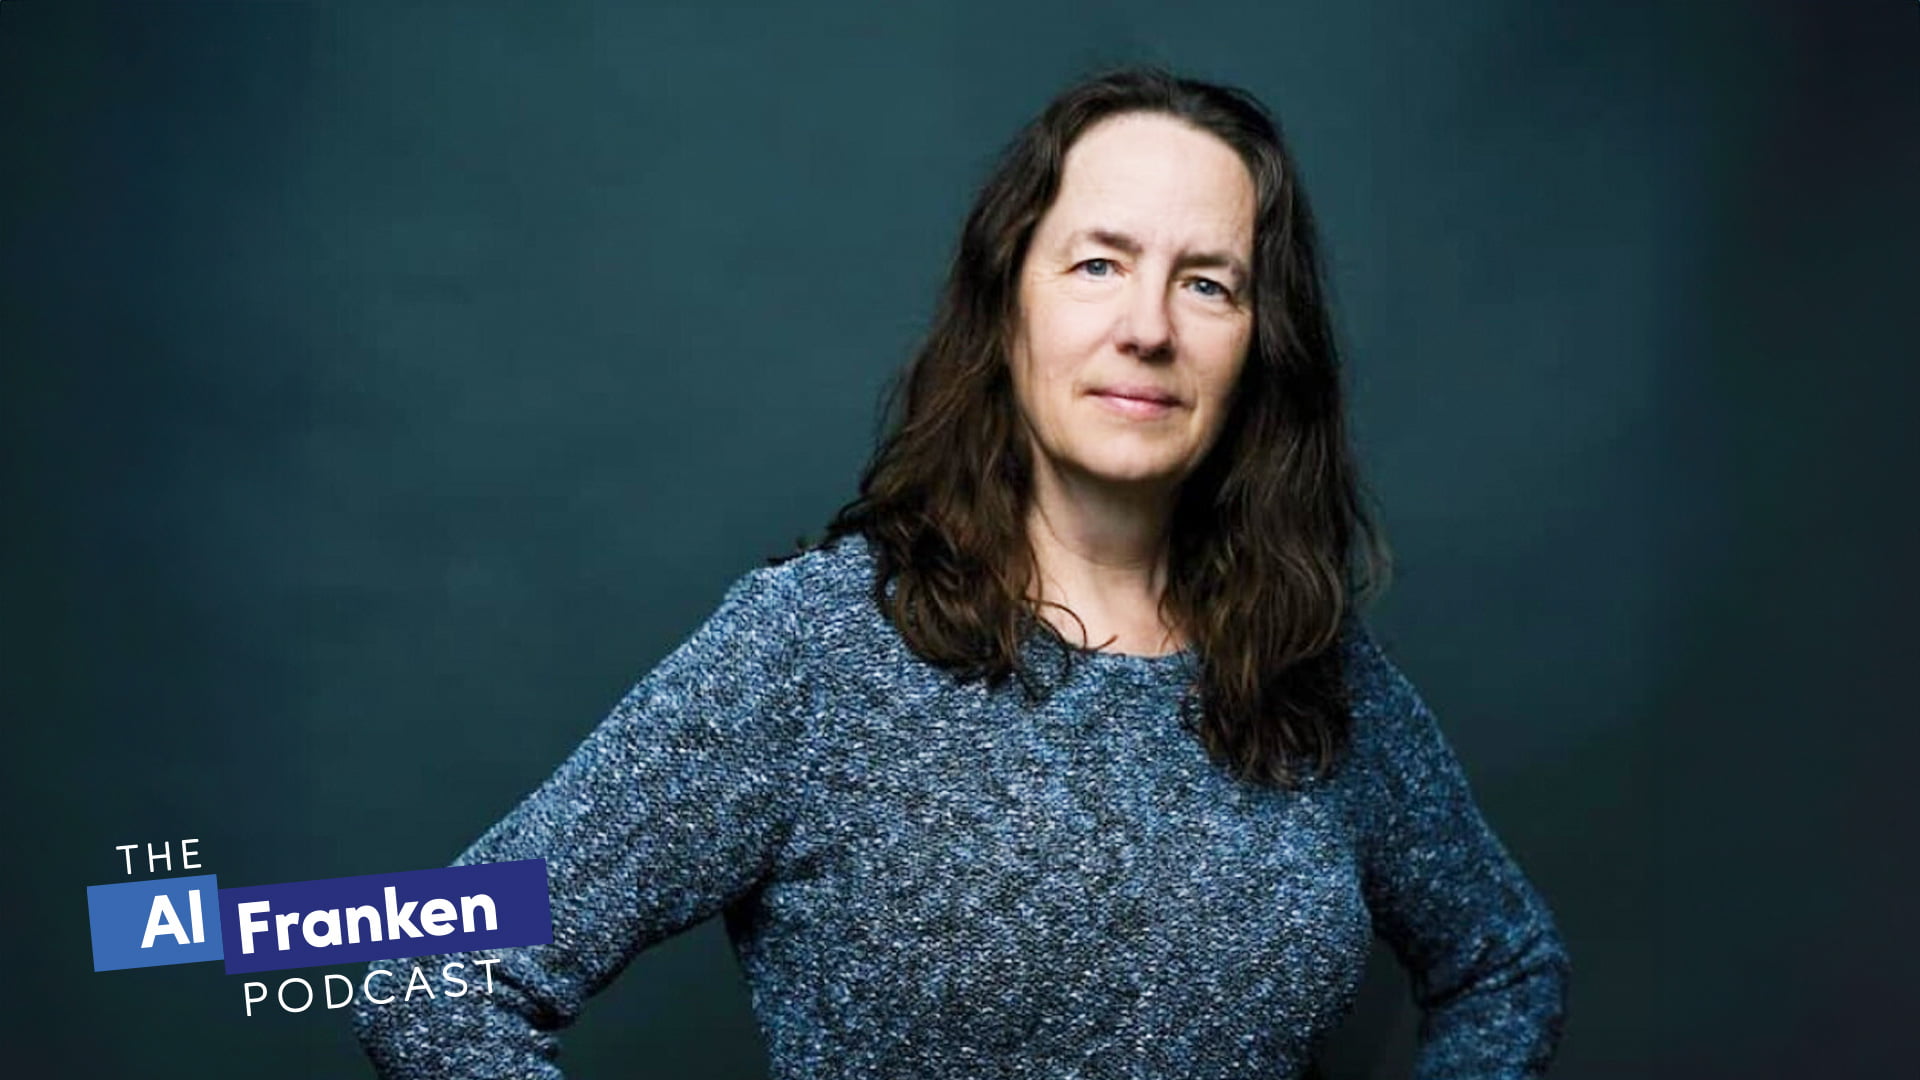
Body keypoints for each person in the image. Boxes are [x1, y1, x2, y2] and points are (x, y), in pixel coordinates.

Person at [351, 66, 1571, 1079]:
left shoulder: (1309, 671)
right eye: (1098, 264)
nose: (1148, 326)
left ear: (1259, 346)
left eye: (1208, 284)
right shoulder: (820, 647)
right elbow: (429, 971)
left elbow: (1504, 965)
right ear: (1009, 302)